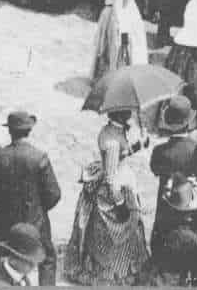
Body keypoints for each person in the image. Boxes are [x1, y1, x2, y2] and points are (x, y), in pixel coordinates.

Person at [65, 109, 150, 285]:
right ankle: (117, 273)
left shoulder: (113, 130)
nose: (130, 113)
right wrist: (120, 204)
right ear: (119, 114)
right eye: (126, 110)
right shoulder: (111, 140)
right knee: (120, 233)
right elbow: (111, 177)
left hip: (120, 181)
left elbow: (121, 154)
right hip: (114, 191)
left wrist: (140, 144)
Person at [0, 110, 62, 285]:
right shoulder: (39, 157)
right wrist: (38, 208)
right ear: (29, 131)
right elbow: (54, 194)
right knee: (47, 258)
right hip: (35, 221)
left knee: (6, 260)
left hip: (6, 222)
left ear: (9, 131)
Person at [149, 96, 197, 286]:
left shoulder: (160, 151)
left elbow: (155, 170)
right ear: (190, 121)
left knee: (168, 266)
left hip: (168, 214)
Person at [91, 0, 150, 84]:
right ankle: (115, 81)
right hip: (121, 20)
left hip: (130, 15)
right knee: (118, 50)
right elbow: (118, 12)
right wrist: (123, 33)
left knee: (135, 48)